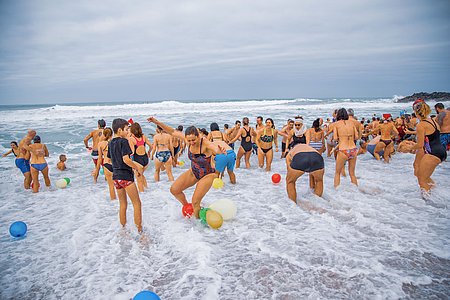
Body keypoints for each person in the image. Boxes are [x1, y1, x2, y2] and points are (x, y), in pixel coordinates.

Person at [147, 116, 225, 218]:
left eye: (194, 139)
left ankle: (198, 224)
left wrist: (219, 151)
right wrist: (156, 122)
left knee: (195, 201)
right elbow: (171, 131)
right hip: (194, 172)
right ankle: (188, 207)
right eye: (189, 140)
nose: (191, 142)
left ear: (198, 136)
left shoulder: (204, 143)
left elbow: (214, 148)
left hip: (208, 174)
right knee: (174, 190)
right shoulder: (186, 139)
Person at [108, 118, 143, 233]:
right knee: (137, 203)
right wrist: (136, 167)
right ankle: (139, 230)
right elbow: (126, 159)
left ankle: (123, 229)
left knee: (123, 204)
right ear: (119, 130)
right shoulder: (123, 141)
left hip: (116, 178)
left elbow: (109, 159)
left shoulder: (111, 143)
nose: (129, 132)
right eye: (127, 129)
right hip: (126, 177)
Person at [411, 100, 447, 195]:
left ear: (415, 112)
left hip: (433, 153)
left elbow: (420, 145)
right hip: (441, 151)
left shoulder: (421, 125)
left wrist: (409, 148)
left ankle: (427, 203)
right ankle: (434, 191)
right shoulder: (433, 121)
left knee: (421, 180)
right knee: (423, 177)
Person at [333, 108, 358, 188]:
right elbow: (356, 137)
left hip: (343, 150)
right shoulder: (352, 123)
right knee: (352, 174)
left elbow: (335, 138)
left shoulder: (336, 124)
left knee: (337, 173)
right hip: (353, 149)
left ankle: (336, 192)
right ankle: (357, 191)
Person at [92, 127, 116, 200]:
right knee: (119, 186)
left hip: (106, 165)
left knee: (111, 186)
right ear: (112, 134)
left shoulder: (101, 144)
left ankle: (113, 201)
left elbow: (100, 158)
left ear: (104, 135)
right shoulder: (115, 142)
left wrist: (97, 168)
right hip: (116, 165)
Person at [129, 122, 152, 191]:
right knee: (141, 175)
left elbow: (132, 152)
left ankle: (142, 195)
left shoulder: (131, 139)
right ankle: (147, 190)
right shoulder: (143, 137)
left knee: (139, 180)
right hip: (145, 159)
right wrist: (149, 152)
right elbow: (151, 146)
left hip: (138, 160)